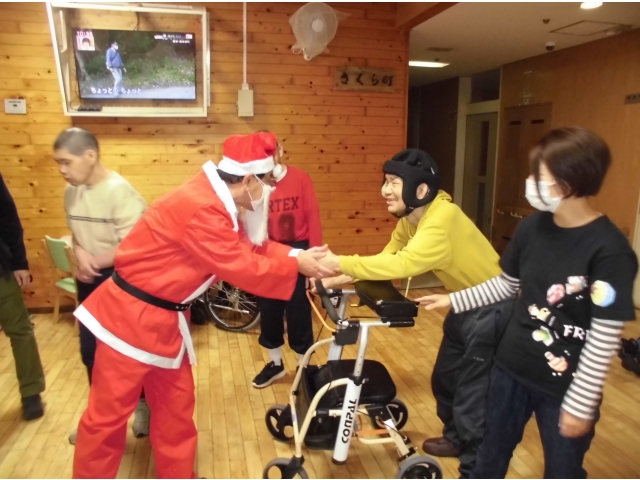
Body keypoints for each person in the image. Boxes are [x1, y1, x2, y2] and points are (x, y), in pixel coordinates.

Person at [71, 132, 334, 478]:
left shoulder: (215, 200)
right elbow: (241, 265)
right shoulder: (203, 208)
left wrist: (298, 256)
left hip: (163, 320)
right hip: (130, 320)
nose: (271, 190)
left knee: (176, 411)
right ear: (249, 180)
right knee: (106, 421)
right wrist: (297, 265)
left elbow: (250, 247)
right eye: (268, 182)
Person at [419, 127, 638, 478]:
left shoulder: (610, 250)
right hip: (510, 370)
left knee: (563, 470)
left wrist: (581, 403)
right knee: (488, 457)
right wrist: (454, 299)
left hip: (566, 387)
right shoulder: (532, 228)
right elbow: (507, 285)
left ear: (569, 180)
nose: (530, 182)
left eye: (539, 175)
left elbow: (605, 335)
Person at [317, 149, 514, 478]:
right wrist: (334, 278)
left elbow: (404, 264)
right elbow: (387, 259)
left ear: (420, 189)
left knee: (472, 393)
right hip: (463, 304)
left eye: (394, 182)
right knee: (445, 380)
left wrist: (339, 261)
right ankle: (456, 439)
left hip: (494, 308)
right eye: (385, 181)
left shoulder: (443, 218)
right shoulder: (411, 221)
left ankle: (476, 465)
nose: (385, 190)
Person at [53, 127, 149, 444]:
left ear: (90, 155)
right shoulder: (71, 191)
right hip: (90, 279)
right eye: (58, 163)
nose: (62, 170)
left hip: (124, 284)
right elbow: (76, 235)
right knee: (90, 352)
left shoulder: (121, 193)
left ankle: (143, 405)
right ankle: (100, 422)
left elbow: (134, 247)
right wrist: (81, 256)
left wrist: (93, 262)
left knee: (128, 356)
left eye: (66, 162)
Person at [252, 138, 322, 388]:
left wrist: (315, 259)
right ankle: (275, 364)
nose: (268, 157)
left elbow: (313, 218)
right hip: (268, 252)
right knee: (269, 310)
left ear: (281, 150)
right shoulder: (254, 183)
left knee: (299, 311)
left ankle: (305, 366)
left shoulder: (301, 179)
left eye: (272, 151)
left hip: (298, 250)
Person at [0, 173, 46, 421]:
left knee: (20, 331)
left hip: (1, 273)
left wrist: (19, 262)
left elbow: (8, 217)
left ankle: (31, 393)